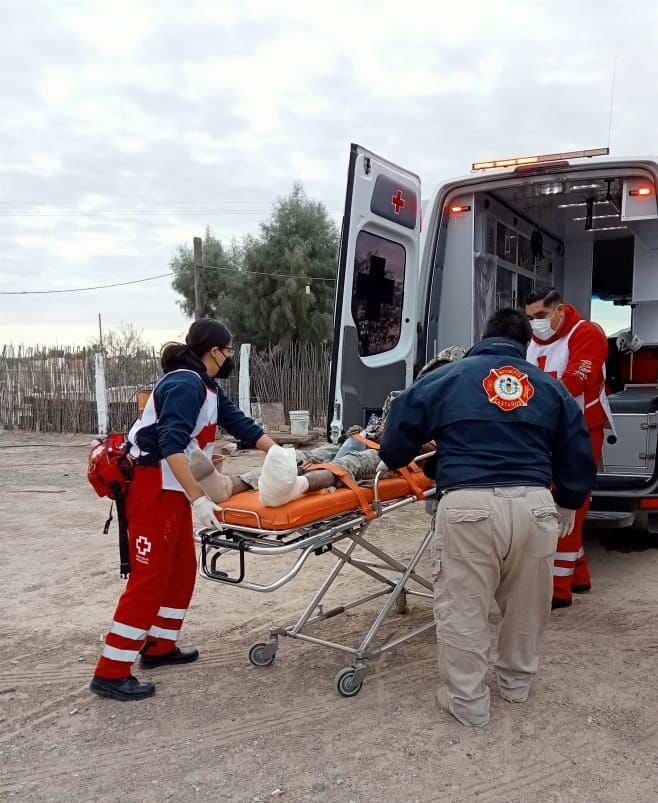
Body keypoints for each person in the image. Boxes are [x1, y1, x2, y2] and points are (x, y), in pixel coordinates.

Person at [378, 309, 596, 727]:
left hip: (467, 506)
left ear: (483, 337)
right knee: (527, 607)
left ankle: (468, 703)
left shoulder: (447, 378)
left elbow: (398, 434)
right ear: (527, 344)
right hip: (534, 506)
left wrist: (402, 454)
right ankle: (516, 685)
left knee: (464, 607)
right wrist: (568, 498)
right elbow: (577, 445)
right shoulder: (549, 388)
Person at [90, 319, 275, 701]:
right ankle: (110, 672)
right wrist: (200, 498)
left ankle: (159, 647)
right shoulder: (183, 384)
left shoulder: (207, 387)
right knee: (150, 578)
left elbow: (240, 424)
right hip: (151, 487)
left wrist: (280, 453)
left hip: (171, 489)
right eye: (229, 350)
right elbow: (171, 445)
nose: (228, 357)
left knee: (180, 571)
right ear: (215, 351)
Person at [189, 346, 466, 507]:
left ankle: (295, 487)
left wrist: (416, 442)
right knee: (309, 456)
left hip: (396, 455)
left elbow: (442, 449)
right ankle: (229, 485)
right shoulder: (408, 397)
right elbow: (381, 420)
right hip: (365, 437)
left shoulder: (455, 410)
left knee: (348, 465)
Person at [524, 287, 612, 609]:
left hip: (581, 431)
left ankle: (558, 590)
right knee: (558, 502)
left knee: (569, 505)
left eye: (542, 316)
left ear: (559, 310)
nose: (536, 324)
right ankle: (578, 575)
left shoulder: (586, 333)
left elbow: (577, 379)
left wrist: (530, 408)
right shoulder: (531, 341)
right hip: (548, 431)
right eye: (530, 318)